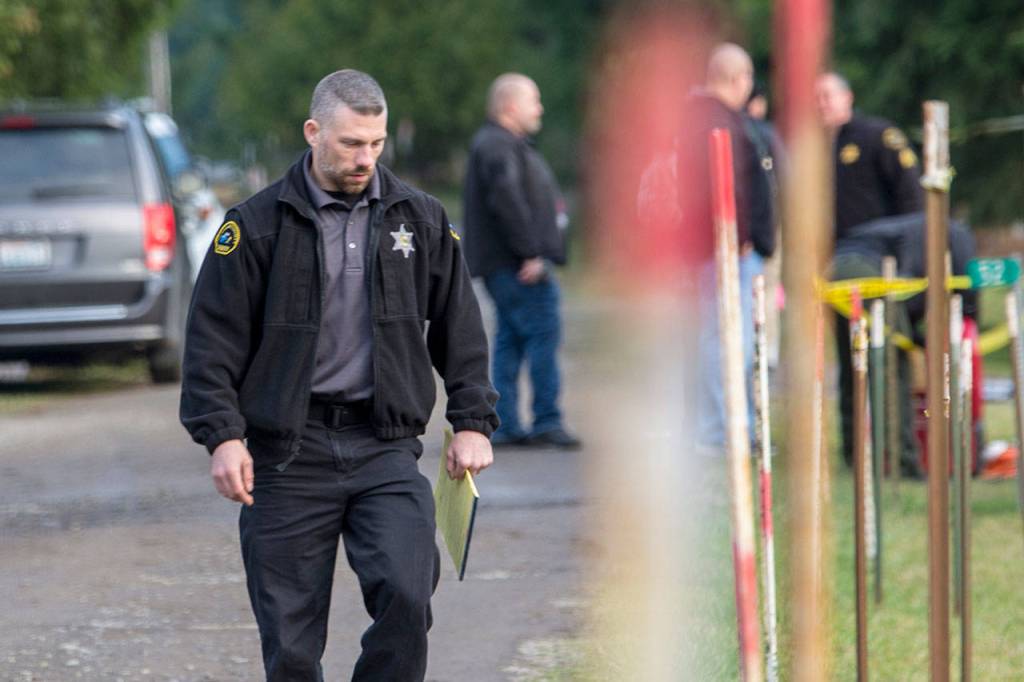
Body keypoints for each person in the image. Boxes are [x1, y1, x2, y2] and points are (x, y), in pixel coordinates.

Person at [179, 69, 498, 681]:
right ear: (313, 132)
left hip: (384, 446)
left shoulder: (421, 219)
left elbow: (461, 328)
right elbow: (210, 344)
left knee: (408, 594)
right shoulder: (253, 226)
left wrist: (472, 422)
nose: (366, 159)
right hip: (285, 455)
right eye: (352, 143)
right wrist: (223, 436)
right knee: (292, 645)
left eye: (376, 144)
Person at [462, 73, 580, 449]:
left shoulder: (503, 144)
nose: (540, 108)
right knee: (542, 334)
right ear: (511, 106)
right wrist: (531, 252)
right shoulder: (498, 146)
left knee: (510, 341)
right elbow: (506, 200)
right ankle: (546, 419)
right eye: (534, 100)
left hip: (507, 264)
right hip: (517, 266)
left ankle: (508, 423)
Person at [816, 71, 923, 469]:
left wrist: (909, 258)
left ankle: (898, 457)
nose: (821, 104)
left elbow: (912, 196)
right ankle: (854, 454)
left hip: (883, 267)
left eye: (827, 95)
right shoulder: (814, 149)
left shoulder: (877, 136)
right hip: (838, 272)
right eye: (816, 97)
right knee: (849, 362)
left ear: (848, 97)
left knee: (889, 362)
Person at [677, 43, 774, 449]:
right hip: (727, 250)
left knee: (724, 340)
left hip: (723, 248)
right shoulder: (716, 122)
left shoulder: (710, 118)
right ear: (740, 79)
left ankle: (728, 428)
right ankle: (724, 432)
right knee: (728, 341)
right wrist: (735, 238)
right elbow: (724, 185)